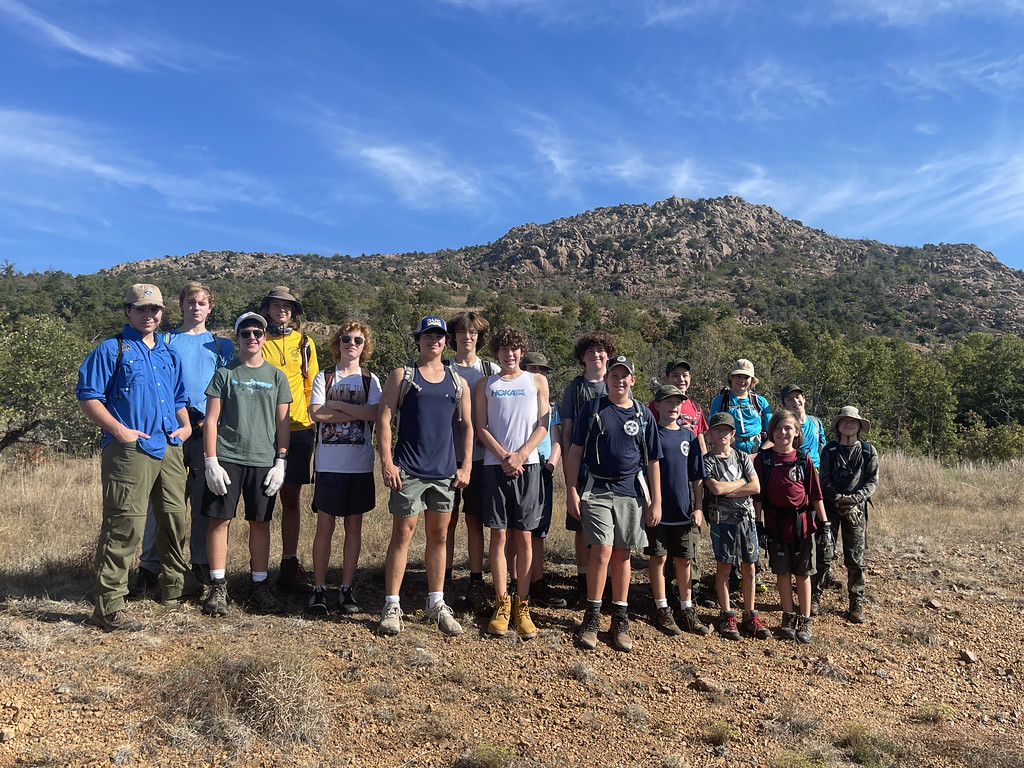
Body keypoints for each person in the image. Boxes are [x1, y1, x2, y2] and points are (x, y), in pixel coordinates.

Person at [76, 284, 200, 631]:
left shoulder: (168, 353)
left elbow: (178, 398)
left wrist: (186, 427)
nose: (150, 315)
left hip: (169, 446)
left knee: (174, 518)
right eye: (142, 309)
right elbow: (89, 396)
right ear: (128, 311)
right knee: (124, 525)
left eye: (156, 310)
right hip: (129, 450)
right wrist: (120, 431)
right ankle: (108, 606)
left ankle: (175, 586)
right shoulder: (111, 349)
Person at [135, 282, 236, 592]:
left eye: (202, 302)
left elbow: (230, 392)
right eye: (190, 302)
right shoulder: (163, 340)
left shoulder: (223, 346)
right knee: (163, 500)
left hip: (208, 430)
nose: (196, 307)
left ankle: (202, 564)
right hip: (172, 430)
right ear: (180, 305)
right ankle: (151, 566)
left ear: (210, 307)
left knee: (208, 499)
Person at [376, 316, 472, 637]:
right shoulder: (403, 376)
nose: (434, 341)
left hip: (444, 472)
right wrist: (387, 462)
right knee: (403, 534)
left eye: (440, 336)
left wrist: (466, 465)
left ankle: (436, 602)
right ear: (418, 339)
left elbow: (466, 426)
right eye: (428, 335)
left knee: (440, 536)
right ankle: (392, 604)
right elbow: (385, 418)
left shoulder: (458, 382)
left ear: (447, 342)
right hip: (408, 469)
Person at [564, 355, 662, 653]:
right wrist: (571, 490)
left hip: (631, 489)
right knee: (602, 550)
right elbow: (575, 451)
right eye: (614, 375)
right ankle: (592, 616)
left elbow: (654, 461)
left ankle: (620, 617)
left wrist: (655, 501)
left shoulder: (643, 415)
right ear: (606, 379)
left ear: (633, 380)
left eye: (625, 376)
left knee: (622, 553)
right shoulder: (594, 409)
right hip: (597, 488)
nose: (619, 380)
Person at [200, 312, 292, 616]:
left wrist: (281, 460)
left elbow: (283, 423)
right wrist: (210, 460)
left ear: (265, 337)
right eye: (246, 333)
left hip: (264, 460)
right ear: (237, 338)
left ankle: (259, 584)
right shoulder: (225, 374)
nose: (252, 338)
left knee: (260, 522)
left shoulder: (277, 376)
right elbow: (210, 420)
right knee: (220, 520)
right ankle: (218, 585)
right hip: (227, 458)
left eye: (258, 333)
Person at [475, 327, 549, 639]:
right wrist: (505, 456)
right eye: (503, 350)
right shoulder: (485, 384)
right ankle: (502, 603)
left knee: (525, 536)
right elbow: (481, 427)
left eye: (514, 349)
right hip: (495, 466)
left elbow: (543, 424)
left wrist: (521, 454)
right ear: (496, 353)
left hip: (528, 467)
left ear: (521, 352)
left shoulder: (536, 381)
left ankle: (523, 603)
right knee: (499, 536)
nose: (509, 355)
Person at [307, 321, 382, 616]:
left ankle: (346, 588)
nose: (352, 344)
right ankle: (319, 588)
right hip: (329, 464)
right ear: (337, 343)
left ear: (365, 347)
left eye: (358, 340)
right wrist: (355, 411)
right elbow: (315, 413)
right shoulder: (324, 377)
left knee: (354, 528)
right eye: (347, 339)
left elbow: (374, 413)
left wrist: (336, 407)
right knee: (324, 527)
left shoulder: (370, 380)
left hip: (360, 465)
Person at [260, 286, 319, 593]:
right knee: (262, 500)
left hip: (298, 429)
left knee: (291, 499)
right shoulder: (258, 338)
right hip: (263, 431)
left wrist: (309, 416)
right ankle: (259, 572)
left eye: (287, 305)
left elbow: (312, 385)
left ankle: (288, 563)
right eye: (275, 304)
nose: (281, 309)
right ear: (267, 308)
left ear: (293, 311)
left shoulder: (305, 343)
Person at [753, 410, 828, 644]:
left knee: (803, 573)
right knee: (782, 572)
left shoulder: (803, 459)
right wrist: (758, 525)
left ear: (797, 432)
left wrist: (824, 524)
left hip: (802, 524)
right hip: (775, 523)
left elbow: (816, 495)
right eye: (778, 428)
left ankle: (805, 618)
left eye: (788, 428)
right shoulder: (763, 460)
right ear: (771, 432)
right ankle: (788, 615)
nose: (783, 433)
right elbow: (758, 497)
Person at [444, 312, 500, 614]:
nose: (468, 337)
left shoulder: (489, 370)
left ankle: (476, 583)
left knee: (475, 521)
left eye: (474, 333)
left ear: (479, 337)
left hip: (482, 458)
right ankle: (445, 581)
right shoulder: (442, 368)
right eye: (463, 332)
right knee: (445, 522)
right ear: (453, 336)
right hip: (446, 457)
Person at [560, 332, 617, 607]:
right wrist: (568, 469)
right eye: (591, 351)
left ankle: (606, 584)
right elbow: (568, 430)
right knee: (582, 527)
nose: (597, 355)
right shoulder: (574, 389)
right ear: (582, 357)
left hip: (614, 470)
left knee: (612, 528)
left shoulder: (617, 384)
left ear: (608, 354)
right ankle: (583, 582)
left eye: (601, 350)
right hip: (583, 468)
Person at [646, 385, 708, 637]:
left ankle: (686, 607)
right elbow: (644, 473)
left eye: (678, 402)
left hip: (683, 511)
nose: (673, 406)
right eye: (667, 402)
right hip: (659, 512)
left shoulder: (689, 437)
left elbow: (697, 477)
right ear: (657, 406)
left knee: (684, 560)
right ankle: (661, 607)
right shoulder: (651, 435)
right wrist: (650, 504)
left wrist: (699, 507)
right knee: (658, 558)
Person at [702, 412, 769, 641]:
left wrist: (730, 487)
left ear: (733, 434)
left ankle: (750, 614)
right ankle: (727, 613)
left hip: (747, 520)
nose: (722, 435)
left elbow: (756, 487)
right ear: (710, 434)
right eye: (717, 430)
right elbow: (715, 489)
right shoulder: (707, 460)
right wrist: (742, 483)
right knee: (724, 567)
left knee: (749, 566)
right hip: (722, 521)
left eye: (726, 431)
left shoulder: (741, 457)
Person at [813, 406, 879, 623]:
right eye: (844, 421)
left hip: (856, 511)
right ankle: (814, 597)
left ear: (860, 426)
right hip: (830, 509)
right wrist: (838, 498)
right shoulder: (829, 450)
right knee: (824, 554)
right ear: (837, 426)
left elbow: (872, 481)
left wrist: (856, 498)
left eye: (853, 421)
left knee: (855, 558)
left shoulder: (869, 451)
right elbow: (824, 479)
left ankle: (855, 603)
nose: (848, 424)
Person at [521, 351, 566, 608]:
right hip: (521, 466)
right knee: (517, 529)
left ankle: (536, 581)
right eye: (533, 369)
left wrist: (551, 465)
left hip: (543, 469)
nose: (539, 374)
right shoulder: (516, 399)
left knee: (539, 530)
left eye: (543, 370)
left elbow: (557, 438)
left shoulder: (550, 406)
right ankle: (516, 580)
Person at [709, 359, 772, 454]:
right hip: (729, 452)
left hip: (757, 452)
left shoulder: (760, 402)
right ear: (731, 377)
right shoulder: (721, 401)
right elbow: (712, 429)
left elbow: (773, 432)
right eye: (738, 376)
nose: (742, 380)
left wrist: (760, 454)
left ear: (752, 380)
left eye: (746, 377)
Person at [648, 359, 709, 454]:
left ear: (690, 378)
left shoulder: (696, 408)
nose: (681, 379)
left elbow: (700, 441)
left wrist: (705, 463)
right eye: (675, 375)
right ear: (666, 379)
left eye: (685, 375)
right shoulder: (658, 405)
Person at [779, 384, 826, 469]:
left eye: (797, 397)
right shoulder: (785, 426)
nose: (795, 401)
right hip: (796, 471)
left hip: (817, 470)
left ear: (803, 399)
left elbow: (823, 447)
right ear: (784, 404)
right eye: (790, 399)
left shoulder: (815, 422)